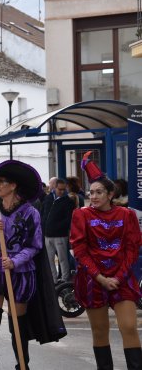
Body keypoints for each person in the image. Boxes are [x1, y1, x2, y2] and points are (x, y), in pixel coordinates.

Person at [70, 152, 142, 369]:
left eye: (99, 192)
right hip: (93, 280)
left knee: (129, 327)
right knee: (100, 332)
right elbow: (79, 250)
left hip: (122, 278)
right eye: (91, 192)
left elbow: (133, 248)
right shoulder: (81, 215)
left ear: (111, 194)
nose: (93, 196)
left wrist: (118, 277)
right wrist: (101, 278)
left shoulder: (126, 215)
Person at [0, 160, 43, 370]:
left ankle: (22, 365)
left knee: (17, 325)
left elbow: (35, 245)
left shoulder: (31, 213)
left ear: (13, 186)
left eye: (1, 181)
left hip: (19, 272)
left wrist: (15, 261)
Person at [41, 178, 75, 284]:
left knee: (62, 258)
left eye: (63, 189)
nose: (62, 191)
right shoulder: (48, 198)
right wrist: (44, 227)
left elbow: (68, 219)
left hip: (60, 235)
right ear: (55, 187)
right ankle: (53, 279)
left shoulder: (68, 201)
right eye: (60, 189)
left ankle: (65, 279)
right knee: (50, 259)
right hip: (47, 234)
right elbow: (43, 213)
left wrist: (57, 227)